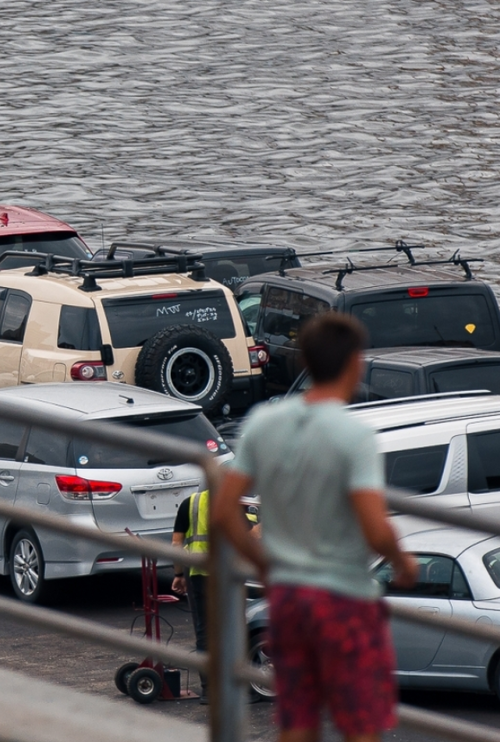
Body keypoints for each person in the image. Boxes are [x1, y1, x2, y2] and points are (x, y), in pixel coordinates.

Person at [212, 313, 417, 742]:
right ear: (355, 363)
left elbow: (223, 511)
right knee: (359, 721)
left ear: (304, 360)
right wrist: (402, 563)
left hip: (287, 597)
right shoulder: (353, 436)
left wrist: (266, 566)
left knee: (298, 720)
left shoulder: (263, 424)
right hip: (344, 599)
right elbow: (374, 526)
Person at [171, 489, 257, 704]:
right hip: (228, 575)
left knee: (205, 631)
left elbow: (176, 543)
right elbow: (252, 535)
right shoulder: (236, 501)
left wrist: (178, 574)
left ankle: (209, 690)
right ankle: (241, 688)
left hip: (199, 574)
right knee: (235, 629)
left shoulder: (190, 502)